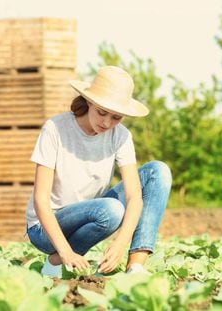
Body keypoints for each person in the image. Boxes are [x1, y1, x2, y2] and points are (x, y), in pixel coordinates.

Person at [25, 66, 172, 278]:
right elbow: (40, 200)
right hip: (45, 227)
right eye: (102, 112)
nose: (107, 123)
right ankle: (55, 260)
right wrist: (65, 252)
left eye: (116, 117)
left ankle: (135, 268)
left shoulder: (121, 136)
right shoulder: (55, 129)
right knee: (111, 210)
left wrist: (120, 243)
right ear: (89, 102)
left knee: (158, 171)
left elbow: (134, 197)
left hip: (94, 210)